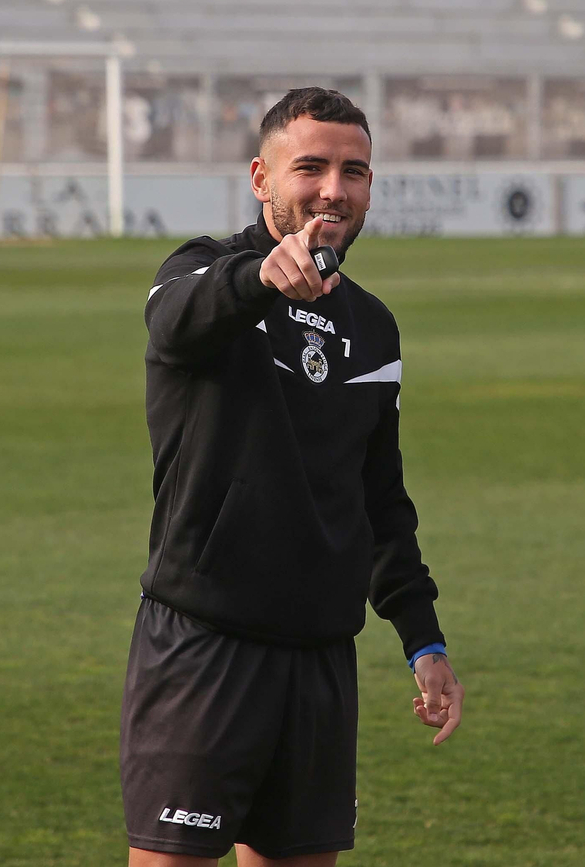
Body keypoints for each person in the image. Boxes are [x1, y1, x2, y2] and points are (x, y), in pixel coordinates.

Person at [122, 87, 464, 867]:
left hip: (319, 658)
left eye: (355, 171)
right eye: (309, 167)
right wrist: (259, 281)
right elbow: (172, 320)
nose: (333, 190)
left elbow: (380, 499)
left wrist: (423, 638)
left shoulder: (373, 326)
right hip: (204, 646)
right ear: (261, 177)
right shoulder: (204, 272)